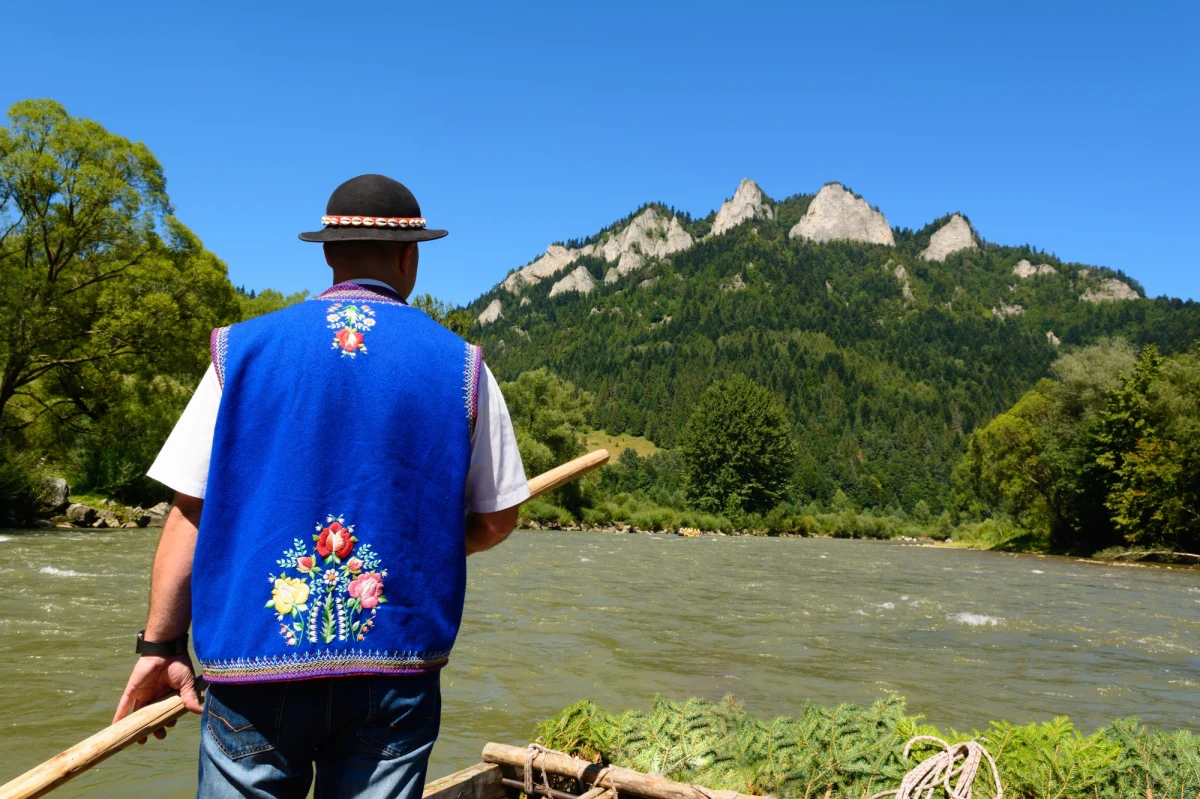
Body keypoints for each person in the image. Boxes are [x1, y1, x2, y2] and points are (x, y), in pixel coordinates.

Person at [113, 174, 529, 798]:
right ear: (410, 256)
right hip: (392, 667)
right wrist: (419, 548)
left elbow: (191, 512)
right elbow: (496, 520)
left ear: (329, 252)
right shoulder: (462, 366)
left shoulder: (239, 353)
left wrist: (159, 645)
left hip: (254, 665)